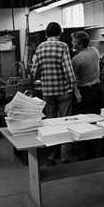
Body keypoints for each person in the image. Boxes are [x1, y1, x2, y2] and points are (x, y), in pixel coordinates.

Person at [32, 22, 76, 166]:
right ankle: (65, 158)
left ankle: (51, 156)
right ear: (59, 33)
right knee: (65, 123)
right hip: (63, 92)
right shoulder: (63, 46)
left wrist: (42, 76)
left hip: (48, 92)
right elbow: (68, 70)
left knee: (50, 124)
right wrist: (72, 87)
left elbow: (35, 71)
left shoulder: (39, 48)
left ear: (46, 33)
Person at [71, 30, 104, 159]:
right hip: (98, 89)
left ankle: (91, 154)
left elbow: (72, 78)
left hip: (86, 92)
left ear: (80, 45)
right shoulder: (95, 51)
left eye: (74, 41)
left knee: (86, 123)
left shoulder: (77, 59)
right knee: (101, 120)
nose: (72, 43)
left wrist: (76, 92)